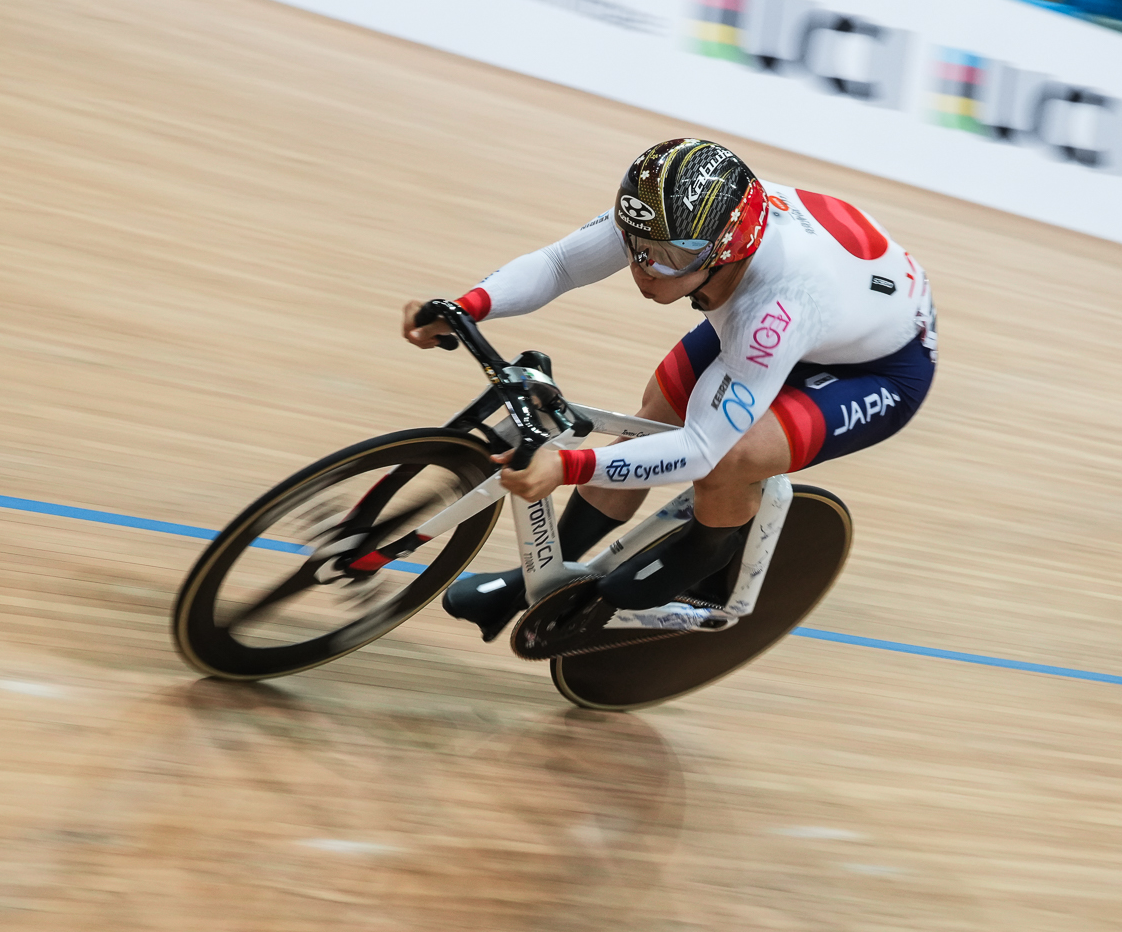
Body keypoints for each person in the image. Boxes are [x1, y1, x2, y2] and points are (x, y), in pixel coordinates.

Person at [400, 139, 938, 640]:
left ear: (725, 251)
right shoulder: (671, 215)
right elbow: (560, 264)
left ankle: (707, 550)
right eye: (636, 248)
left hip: (880, 368)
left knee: (731, 457)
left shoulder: (776, 306)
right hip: (816, 314)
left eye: (671, 259)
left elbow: (701, 449)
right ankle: (538, 575)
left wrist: (567, 466)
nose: (645, 271)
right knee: (654, 415)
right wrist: (468, 306)